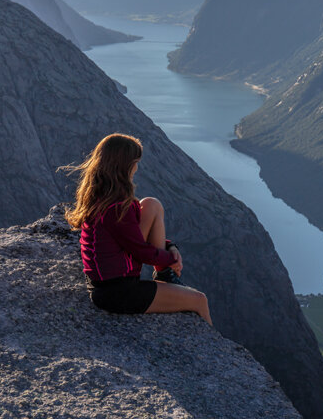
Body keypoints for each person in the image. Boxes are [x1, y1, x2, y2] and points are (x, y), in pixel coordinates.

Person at [64, 133, 212, 325]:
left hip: (106, 285)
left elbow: (130, 237)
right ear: (124, 166)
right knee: (199, 300)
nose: (136, 168)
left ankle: (164, 273)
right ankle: (224, 354)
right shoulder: (116, 209)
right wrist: (172, 258)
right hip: (117, 293)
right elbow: (142, 252)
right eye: (135, 162)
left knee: (151, 204)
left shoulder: (103, 200)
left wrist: (170, 248)